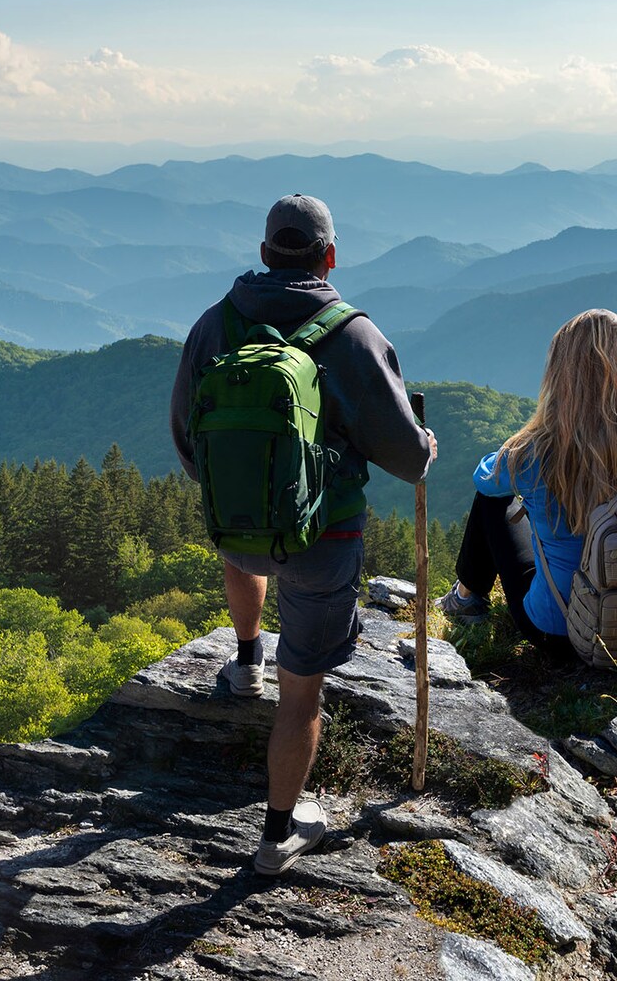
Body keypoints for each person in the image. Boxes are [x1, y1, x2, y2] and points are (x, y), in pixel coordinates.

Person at [170, 193, 434, 876]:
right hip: (325, 541)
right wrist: (426, 445)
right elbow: (407, 459)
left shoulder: (214, 326)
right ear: (330, 256)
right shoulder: (353, 336)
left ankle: (245, 659)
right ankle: (277, 835)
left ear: (263, 254)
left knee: (244, 545)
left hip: (236, 530)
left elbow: (186, 437)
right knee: (303, 695)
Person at [437, 309, 617, 660]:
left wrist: (524, 439)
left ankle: (465, 599)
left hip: (556, 630)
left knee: (493, 502)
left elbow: (484, 478)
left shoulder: (538, 451)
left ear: (561, 375)